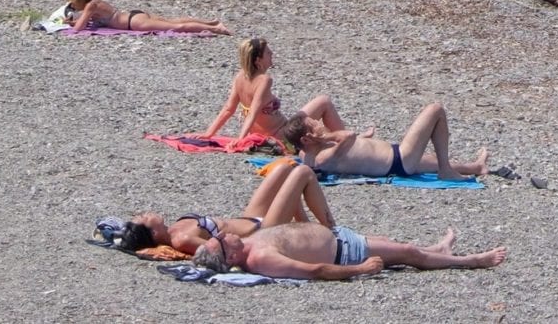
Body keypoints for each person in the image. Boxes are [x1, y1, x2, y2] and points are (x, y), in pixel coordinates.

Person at [110, 159, 333, 256]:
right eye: (143, 218)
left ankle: (306, 227)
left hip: (250, 218)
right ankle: (331, 230)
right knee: (303, 174)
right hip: (262, 232)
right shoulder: (181, 240)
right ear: (154, 232)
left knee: (285, 167)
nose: (146, 213)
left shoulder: (176, 227)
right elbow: (222, 251)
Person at [191, 221, 506, 279]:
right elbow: (314, 271)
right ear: (230, 257)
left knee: (404, 248)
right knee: (409, 253)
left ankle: (439, 249)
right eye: (220, 239)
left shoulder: (246, 246)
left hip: (340, 238)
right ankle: (472, 261)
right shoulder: (260, 258)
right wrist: (360, 269)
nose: (224, 234)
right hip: (346, 253)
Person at [279, 103, 489, 180]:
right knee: (436, 110)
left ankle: (475, 167)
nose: (319, 123)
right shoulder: (322, 158)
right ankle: (446, 172)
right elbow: (348, 135)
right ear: (307, 138)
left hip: (395, 157)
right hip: (398, 160)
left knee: (432, 160)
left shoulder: (306, 153)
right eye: (314, 125)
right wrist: (326, 136)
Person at [200, 37, 346, 145]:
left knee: (315, 126)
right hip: (281, 135)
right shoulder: (264, 80)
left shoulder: (240, 76)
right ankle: (347, 141)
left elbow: (228, 109)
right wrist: (240, 140)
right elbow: (253, 112)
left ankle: (345, 139)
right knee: (324, 101)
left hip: (270, 133)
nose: (272, 55)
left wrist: (209, 133)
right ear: (258, 60)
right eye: (268, 53)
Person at [62, 0, 225, 34]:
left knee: (177, 27)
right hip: (135, 15)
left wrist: (70, 25)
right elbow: (83, 22)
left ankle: (216, 28)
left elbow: (79, 28)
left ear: (78, 1)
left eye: (73, 3)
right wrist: (73, 21)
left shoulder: (90, 6)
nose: (72, 6)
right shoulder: (95, 3)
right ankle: (210, 22)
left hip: (133, 23)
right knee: (173, 21)